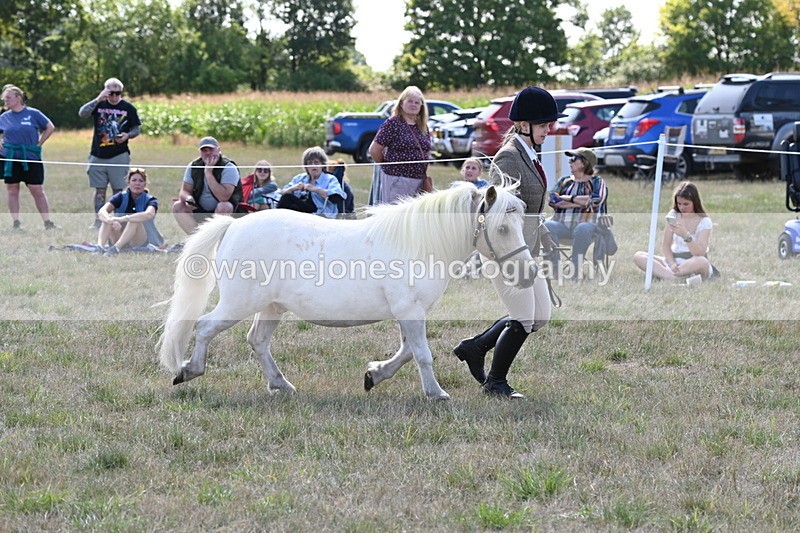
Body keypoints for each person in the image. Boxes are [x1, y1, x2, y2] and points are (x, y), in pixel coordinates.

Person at [452, 86, 566, 399]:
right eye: (544, 125)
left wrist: (541, 230)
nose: (548, 129)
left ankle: (475, 347)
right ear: (525, 125)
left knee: (539, 316)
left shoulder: (530, 153)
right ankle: (495, 382)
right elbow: (501, 215)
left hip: (526, 248)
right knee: (523, 317)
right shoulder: (509, 157)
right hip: (505, 251)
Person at [78, 78, 142, 229]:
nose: (114, 96)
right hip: (98, 154)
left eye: (117, 93)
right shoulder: (99, 104)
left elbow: (136, 129)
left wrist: (127, 136)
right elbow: (82, 113)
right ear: (105, 91)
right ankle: (98, 221)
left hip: (119, 155)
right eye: (110, 93)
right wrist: (97, 99)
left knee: (118, 190)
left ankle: (117, 221)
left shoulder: (128, 108)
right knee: (99, 190)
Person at [633, 181, 715, 282]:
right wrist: (672, 263)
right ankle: (674, 277)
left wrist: (685, 235)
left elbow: (700, 253)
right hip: (674, 261)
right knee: (639, 256)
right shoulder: (674, 215)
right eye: (679, 204)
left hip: (692, 261)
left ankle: (665, 275)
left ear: (695, 202)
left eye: (686, 204)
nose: (682, 207)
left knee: (702, 262)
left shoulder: (704, 221)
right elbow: (666, 246)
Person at [0, 84, 57, 230]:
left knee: (37, 189)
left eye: (8, 97)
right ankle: (16, 223)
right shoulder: (4, 117)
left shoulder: (33, 113)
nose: (5, 100)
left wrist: (39, 143)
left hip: (31, 157)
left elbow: (50, 126)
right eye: (4, 98)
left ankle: (47, 222)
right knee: (12, 189)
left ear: (18, 98)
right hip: (11, 158)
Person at [544, 147, 608, 275]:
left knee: (582, 228)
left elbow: (595, 200)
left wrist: (569, 198)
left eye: (574, 159)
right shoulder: (564, 181)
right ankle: (555, 269)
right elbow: (553, 200)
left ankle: (574, 269)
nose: (570, 162)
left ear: (585, 163)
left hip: (589, 227)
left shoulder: (597, 181)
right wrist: (579, 203)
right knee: (546, 226)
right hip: (562, 225)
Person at [368, 86, 431, 204]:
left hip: (419, 180)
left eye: (417, 102)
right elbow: (374, 150)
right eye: (410, 101)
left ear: (421, 106)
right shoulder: (393, 123)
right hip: (397, 179)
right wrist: (387, 164)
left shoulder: (423, 126)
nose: (414, 104)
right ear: (401, 104)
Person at [172, 136, 243, 235]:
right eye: (204, 150)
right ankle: (196, 240)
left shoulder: (228, 167)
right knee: (178, 206)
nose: (208, 153)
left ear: (218, 150)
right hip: (200, 209)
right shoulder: (194, 166)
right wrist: (188, 198)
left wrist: (208, 172)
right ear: (200, 153)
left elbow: (224, 197)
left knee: (224, 206)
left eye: (211, 149)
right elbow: (185, 190)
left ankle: (211, 238)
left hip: (229, 212)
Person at [97, 167, 163, 254]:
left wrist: (124, 218)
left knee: (135, 220)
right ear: (128, 183)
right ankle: (99, 247)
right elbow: (102, 211)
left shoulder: (151, 200)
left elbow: (148, 214)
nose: (137, 183)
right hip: (118, 234)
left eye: (141, 181)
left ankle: (115, 249)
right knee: (107, 219)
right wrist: (110, 220)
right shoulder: (120, 197)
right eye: (134, 180)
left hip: (138, 240)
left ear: (145, 184)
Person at [277, 147, 345, 218]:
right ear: (306, 166)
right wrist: (292, 189)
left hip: (319, 210)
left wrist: (316, 189)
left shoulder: (330, 179)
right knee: (286, 198)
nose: (313, 165)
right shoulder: (300, 178)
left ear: (322, 164)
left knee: (287, 197)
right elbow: (281, 194)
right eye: (310, 163)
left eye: (316, 162)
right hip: (301, 210)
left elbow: (337, 197)